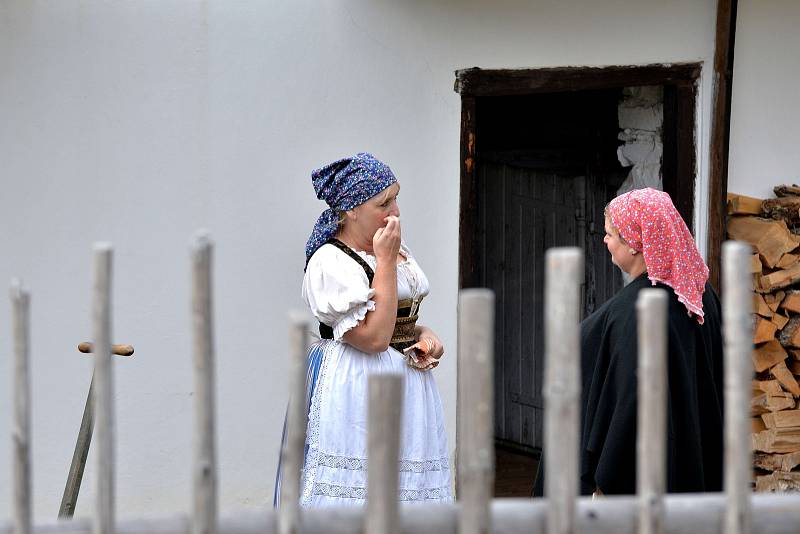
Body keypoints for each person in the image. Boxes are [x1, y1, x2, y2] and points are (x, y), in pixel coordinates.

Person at [274, 152, 452, 507]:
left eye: (396, 197)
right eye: (383, 203)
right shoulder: (331, 262)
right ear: (352, 209)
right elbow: (372, 339)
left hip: (408, 384)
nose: (396, 211)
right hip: (360, 384)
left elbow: (398, 322)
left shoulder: (391, 248)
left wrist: (424, 336)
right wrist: (385, 260)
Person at [534, 187, 724, 496]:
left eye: (611, 234)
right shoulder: (699, 293)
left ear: (635, 245)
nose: (604, 240)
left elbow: (629, 402)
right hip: (693, 467)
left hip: (638, 481)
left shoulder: (636, 313)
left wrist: (604, 479)